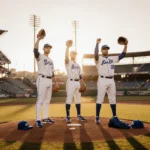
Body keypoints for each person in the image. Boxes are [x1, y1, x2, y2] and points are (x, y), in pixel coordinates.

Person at [94, 38, 128, 124]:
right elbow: (95, 54)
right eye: (104, 49)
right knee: (100, 99)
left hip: (111, 80)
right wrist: (97, 44)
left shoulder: (112, 58)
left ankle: (115, 116)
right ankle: (97, 117)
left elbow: (123, 55)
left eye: (107, 49)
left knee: (112, 99)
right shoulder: (98, 59)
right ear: (101, 50)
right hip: (102, 80)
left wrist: (126, 45)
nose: (106, 50)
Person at [34, 33, 59, 127]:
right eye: (47, 47)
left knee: (47, 100)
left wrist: (55, 83)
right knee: (40, 99)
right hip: (42, 79)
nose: (48, 49)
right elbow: (35, 50)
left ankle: (45, 117)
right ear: (44, 48)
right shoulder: (40, 56)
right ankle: (37, 120)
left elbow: (52, 73)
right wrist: (38, 40)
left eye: (49, 48)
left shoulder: (51, 61)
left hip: (49, 80)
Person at [65, 40, 87, 123]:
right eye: (73, 53)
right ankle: (67, 116)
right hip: (71, 82)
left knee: (78, 100)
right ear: (70, 55)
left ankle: (79, 115)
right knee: (69, 99)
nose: (74, 55)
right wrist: (67, 48)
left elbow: (80, 75)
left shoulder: (78, 64)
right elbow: (66, 58)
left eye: (75, 54)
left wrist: (83, 83)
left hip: (78, 82)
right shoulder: (68, 62)